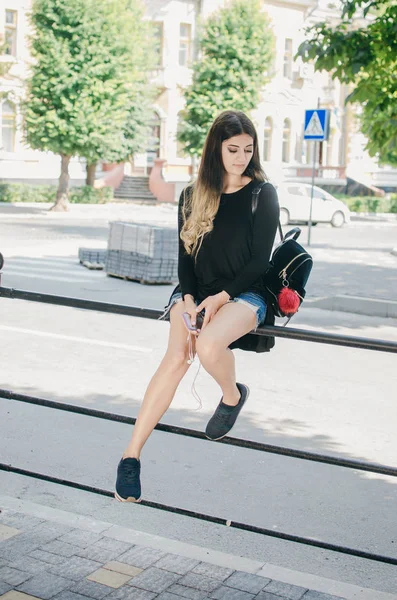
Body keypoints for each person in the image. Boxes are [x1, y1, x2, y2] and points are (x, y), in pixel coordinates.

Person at [115, 109, 279, 503]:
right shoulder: (192, 195)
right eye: (233, 149)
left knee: (207, 346)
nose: (241, 158)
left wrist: (219, 300)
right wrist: (188, 299)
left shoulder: (262, 193)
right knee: (176, 359)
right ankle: (130, 457)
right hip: (196, 291)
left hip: (244, 294)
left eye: (248, 150)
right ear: (215, 150)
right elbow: (185, 258)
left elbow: (260, 261)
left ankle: (232, 395)